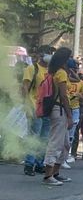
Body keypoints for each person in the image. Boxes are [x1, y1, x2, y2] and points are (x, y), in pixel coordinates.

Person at [42, 47, 73, 186]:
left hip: (58, 109)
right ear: (65, 59)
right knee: (56, 143)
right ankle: (48, 175)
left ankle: (55, 173)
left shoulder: (56, 71)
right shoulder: (61, 73)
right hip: (60, 110)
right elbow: (63, 96)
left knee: (65, 144)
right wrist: (69, 115)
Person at [22, 45, 54, 176]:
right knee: (34, 137)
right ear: (41, 54)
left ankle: (40, 163)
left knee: (44, 138)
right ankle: (29, 164)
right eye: (49, 52)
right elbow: (25, 88)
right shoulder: (32, 68)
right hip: (35, 107)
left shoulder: (52, 70)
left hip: (47, 108)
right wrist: (27, 106)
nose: (51, 55)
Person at [66, 58, 83, 164]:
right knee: (62, 131)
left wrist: (79, 96)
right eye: (74, 68)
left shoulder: (81, 83)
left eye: (76, 68)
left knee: (72, 133)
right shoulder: (65, 78)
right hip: (65, 108)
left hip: (75, 109)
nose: (76, 70)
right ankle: (61, 154)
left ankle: (68, 154)